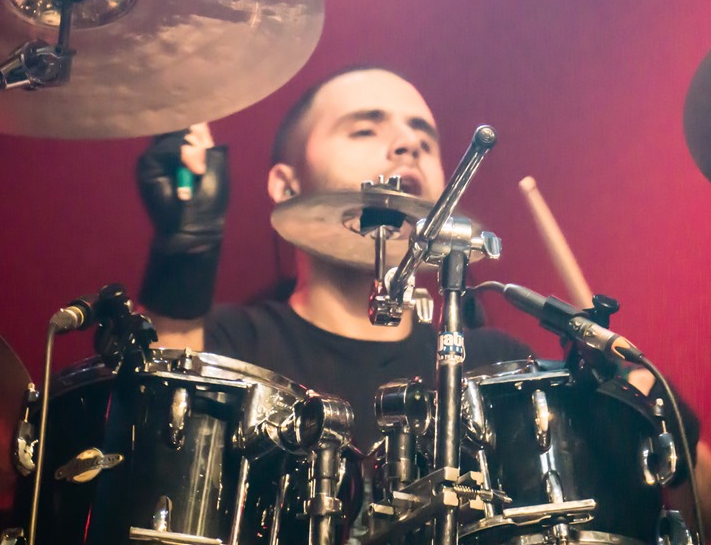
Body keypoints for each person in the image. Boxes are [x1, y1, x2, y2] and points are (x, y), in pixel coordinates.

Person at [136, 66, 710, 529]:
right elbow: (157, 469)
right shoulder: (228, 343)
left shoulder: (495, 363)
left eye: (424, 137)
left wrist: (663, 430)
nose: (407, 143)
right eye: (365, 129)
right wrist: (184, 255)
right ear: (287, 185)